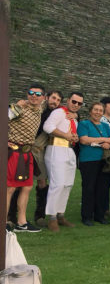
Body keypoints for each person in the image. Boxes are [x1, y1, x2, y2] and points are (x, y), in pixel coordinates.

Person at [9, 90, 65, 228]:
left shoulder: (57, 113)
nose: (55, 102)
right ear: (46, 98)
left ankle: (39, 216)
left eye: (58, 100)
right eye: (53, 98)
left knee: (40, 183)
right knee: (15, 185)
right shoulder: (34, 107)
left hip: (39, 150)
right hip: (22, 149)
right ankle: (10, 217)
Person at [7, 83, 46, 232]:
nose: (33, 96)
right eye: (31, 93)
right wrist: (16, 106)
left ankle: (21, 223)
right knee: (9, 188)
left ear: (43, 98)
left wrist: (73, 115)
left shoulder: (40, 109)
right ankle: (3, 222)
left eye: (37, 94)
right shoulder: (19, 107)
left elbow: (53, 105)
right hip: (14, 151)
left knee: (27, 187)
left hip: (28, 153)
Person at [43, 92, 83, 232]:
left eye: (79, 103)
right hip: (56, 149)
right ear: (68, 100)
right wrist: (65, 135)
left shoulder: (74, 119)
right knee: (57, 183)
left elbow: (69, 133)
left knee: (67, 184)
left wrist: (73, 137)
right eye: (74, 101)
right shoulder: (59, 112)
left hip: (69, 150)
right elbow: (47, 127)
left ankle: (61, 214)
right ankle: (52, 218)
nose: (76, 105)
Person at [77, 102, 110, 226]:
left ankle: (99, 215)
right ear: (90, 111)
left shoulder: (105, 125)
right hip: (88, 160)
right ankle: (86, 216)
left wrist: (108, 143)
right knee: (89, 188)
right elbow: (83, 139)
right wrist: (103, 140)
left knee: (102, 189)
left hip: (103, 160)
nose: (98, 112)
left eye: (100, 110)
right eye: (95, 110)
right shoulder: (84, 124)